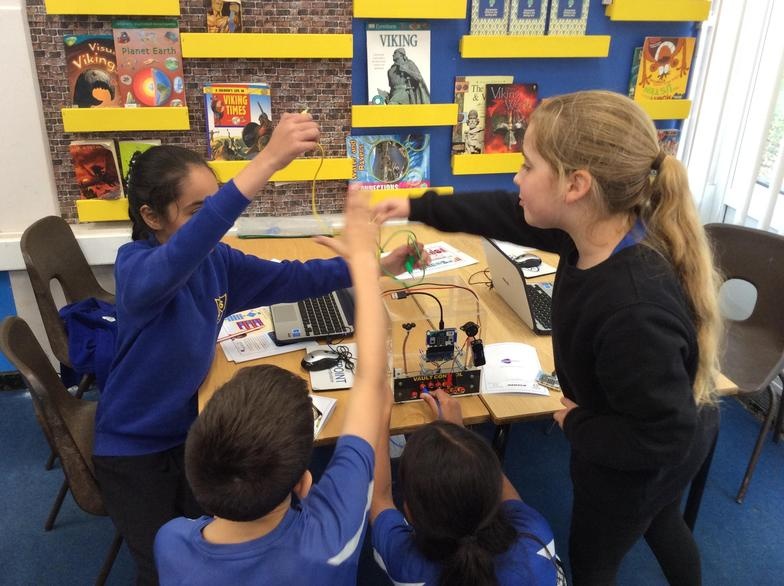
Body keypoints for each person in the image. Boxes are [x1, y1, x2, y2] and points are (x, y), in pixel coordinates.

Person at [373, 90, 723, 585]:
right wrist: (416, 204)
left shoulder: (633, 310)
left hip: (643, 450)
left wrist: (575, 422)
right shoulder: (590, 230)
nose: (516, 178)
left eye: (527, 165)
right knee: (661, 517)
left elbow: (662, 437)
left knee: (595, 556)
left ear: (575, 185)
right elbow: (503, 211)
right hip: (641, 417)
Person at [92, 115, 420, 585]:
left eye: (213, 207)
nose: (211, 225)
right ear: (151, 217)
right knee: (158, 567)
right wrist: (268, 159)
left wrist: (375, 266)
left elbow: (290, 278)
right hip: (134, 446)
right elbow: (191, 245)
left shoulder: (216, 261)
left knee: (230, 533)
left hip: (194, 432)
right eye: (196, 212)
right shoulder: (137, 270)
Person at [154, 188, 391, 584]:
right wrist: (366, 267)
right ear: (304, 483)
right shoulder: (329, 540)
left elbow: (370, 382)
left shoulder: (170, 541)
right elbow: (370, 381)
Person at [371, 388, 564, 586]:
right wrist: (458, 432)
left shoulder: (405, 564)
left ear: (409, 513)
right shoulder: (535, 534)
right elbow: (501, 489)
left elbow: (380, 498)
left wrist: (380, 414)